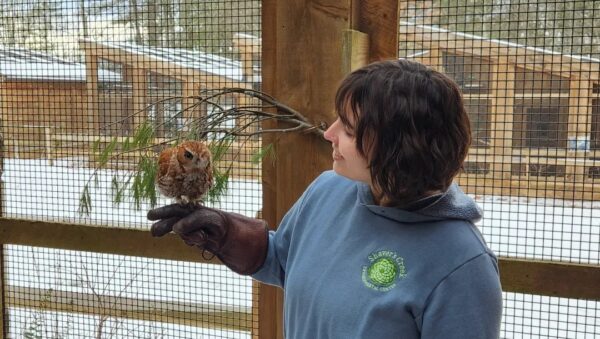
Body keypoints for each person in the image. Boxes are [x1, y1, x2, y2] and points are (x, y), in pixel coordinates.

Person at [148, 59, 503, 338]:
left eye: (348, 128)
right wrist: (226, 234)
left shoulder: (460, 266)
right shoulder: (329, 189)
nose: (329, 133)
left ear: (400, 147)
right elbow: (284, 261)